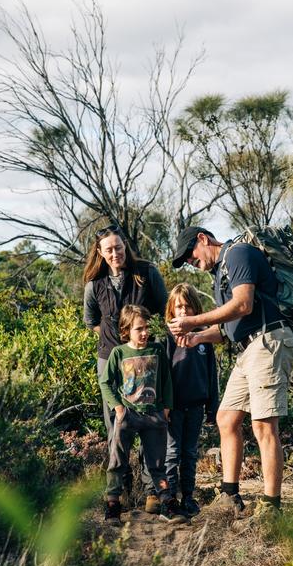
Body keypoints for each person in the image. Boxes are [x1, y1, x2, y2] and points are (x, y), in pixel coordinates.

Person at [169, 226, 293, 517]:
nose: (191, 262)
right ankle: (230, 495)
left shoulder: (238, 253)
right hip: (249, 348)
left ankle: (271, 507)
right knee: (226, 418)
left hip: (268, 342)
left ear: (203, 239)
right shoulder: (221, 272)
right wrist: (198, 336)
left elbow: (243, 304)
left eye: (189, 255)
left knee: (264, 426)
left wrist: (192, 321)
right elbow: (229, 328)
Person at [83, 224, 168, 513]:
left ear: (125, 246)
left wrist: (141, 340)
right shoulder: (94, 284)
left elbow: (163, 308)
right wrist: (116, 343)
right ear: (100, 252)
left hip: (145, 360)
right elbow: (91, 320)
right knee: (116, 424)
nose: (115, 253)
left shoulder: (145, 273)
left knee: (147, 421)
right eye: (108, 249)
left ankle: (151, 491)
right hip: (110, 358)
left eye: (118, 247)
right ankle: (120, 491)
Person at [100, 304, 185, 525]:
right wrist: (118, 408)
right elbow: (105, 382)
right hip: (128, 416)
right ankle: (113, 506)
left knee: (157, 464)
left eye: (147, 327)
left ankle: (167, 503)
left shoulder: (156, 350)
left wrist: (166, 408)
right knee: (117, 461)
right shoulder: (119, 353)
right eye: (139, 329)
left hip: (154, 416)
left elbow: (167, 382)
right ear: (126, 330)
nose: (145, 332)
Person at [164, 283, 219, 516]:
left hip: (196, 405)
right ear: (171, 311)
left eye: (187, 306)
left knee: (190, 453)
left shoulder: (204, 336)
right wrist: (163, 406)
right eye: (178, 307)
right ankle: (168, 499)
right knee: (172, 452)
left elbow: (211, 374)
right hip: (173, 407)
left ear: (196, 309)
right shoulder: (166, 337)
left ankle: (188, 497)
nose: (183, 311)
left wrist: (212, 407)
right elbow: (161, 375)